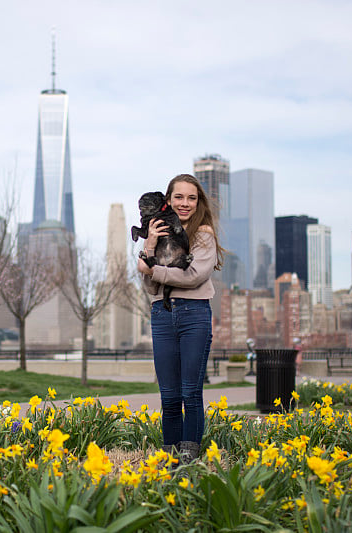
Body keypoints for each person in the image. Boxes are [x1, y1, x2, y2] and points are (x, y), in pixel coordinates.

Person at [137, 173, 224, 461]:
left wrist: (152, 269)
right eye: (179, 197)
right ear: (168, 199)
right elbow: (150, 286)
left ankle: (189, 461)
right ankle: (171, 461)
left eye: (191, 198)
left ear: (198, 202)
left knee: (190, 393)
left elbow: (194, 276)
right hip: (161, 314)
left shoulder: (203, 234)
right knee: (170, 397)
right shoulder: (158, 232)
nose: (184, 203)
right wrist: (149, 244)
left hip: (194, 314)